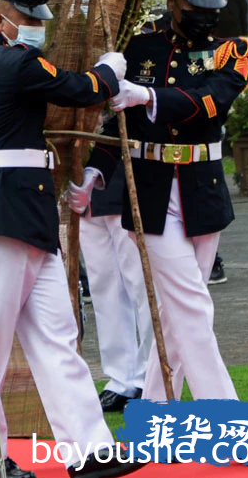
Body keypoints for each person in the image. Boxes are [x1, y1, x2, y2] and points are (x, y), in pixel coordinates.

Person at [70, 0, 248, 467]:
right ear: (173, 0)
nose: (206, 16)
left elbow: (210, 101)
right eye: (196, 5)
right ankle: (237, 432)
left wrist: (146, 95)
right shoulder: (140, 47)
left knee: (173, 315)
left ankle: (152, 420)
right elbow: (117, 126)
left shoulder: (233, 52)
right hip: (149, 191)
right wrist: (95, 174)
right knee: (191, 306)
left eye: (215, 6)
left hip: (202, 190)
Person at [0, 0, 142, 478]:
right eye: (27, 16)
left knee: (56, 334)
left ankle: (88, 449)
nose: (36, 26)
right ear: (1, 17)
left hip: (26, 213)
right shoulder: (8, 62)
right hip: (1, 213)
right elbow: (80, 88)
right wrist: (111, 69)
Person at [78, 169, 152, 413]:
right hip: (84, 190)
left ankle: (149, 378)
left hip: (126, 180)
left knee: (143, 288)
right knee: (103, 289)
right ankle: (121, 378)